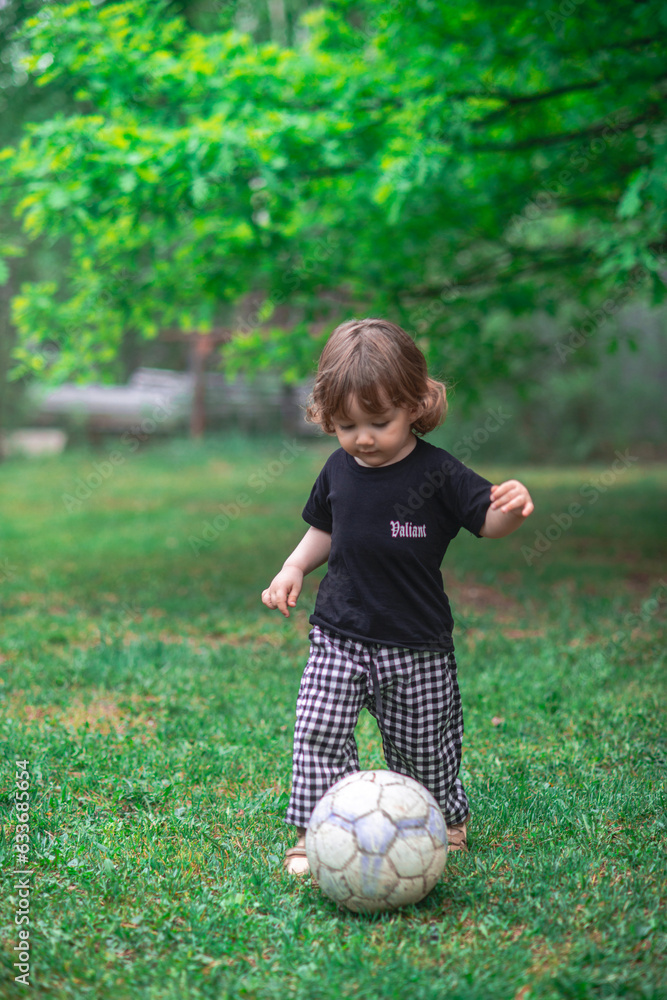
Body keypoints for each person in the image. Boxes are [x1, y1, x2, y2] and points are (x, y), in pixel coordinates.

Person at [262, 318, 534, 876]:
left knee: (424, 748)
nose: (363, 438)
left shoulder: (438, 473)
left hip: (416, 643)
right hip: (338, 633)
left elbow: (487, 522)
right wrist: (293, 567)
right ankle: (316, 830)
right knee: (318, 731)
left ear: (413, 405)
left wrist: (510, 509)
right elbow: (325, 528)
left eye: (379, 422)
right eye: (346, 425)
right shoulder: (338, 469)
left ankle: (443, 821)